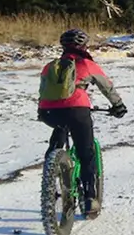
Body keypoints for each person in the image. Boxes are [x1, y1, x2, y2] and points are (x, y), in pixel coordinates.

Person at [37, 28, 127, 217]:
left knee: (60, 132)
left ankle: (51, 168)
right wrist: (118, 105)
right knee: (86, 153)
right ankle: (90, 199)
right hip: (77, 110)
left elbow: (44, 90)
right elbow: (107, 87)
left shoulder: (49, 66)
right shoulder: (86, 63)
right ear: (84, 46)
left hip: (48, 112)